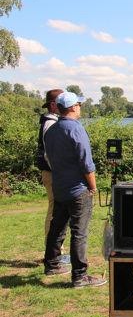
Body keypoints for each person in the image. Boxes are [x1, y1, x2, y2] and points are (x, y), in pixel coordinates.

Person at [43, 92, 107, 288]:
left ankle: (52, 264)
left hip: (60, 186)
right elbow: (86, 162)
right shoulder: (76, 129)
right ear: (72, 107)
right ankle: (80, 275)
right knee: (79, 232)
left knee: (57, 227)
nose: (80, 107)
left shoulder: (51, 130)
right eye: (78, 104)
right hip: (77, 189)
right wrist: (93, 187)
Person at [37, 89, 71, 265]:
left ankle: (56, 251)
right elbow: (49, 154)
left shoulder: (53, 121)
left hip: (54, 173)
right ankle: (53, 253)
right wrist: (60, 172)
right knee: (54, 213)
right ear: (52, 105)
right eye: (60, 102)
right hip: (53, 173)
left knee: (58, 212)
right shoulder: (50, 123)